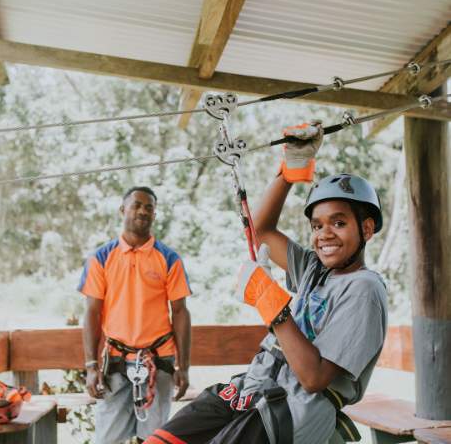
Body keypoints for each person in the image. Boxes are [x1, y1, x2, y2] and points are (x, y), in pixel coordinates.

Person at [145, 122, 388, 444]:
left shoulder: (364, 289)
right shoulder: (315, 270)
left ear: (367, 229)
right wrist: (290, 172)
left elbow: (314, 378)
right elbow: (259, 229)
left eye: (339, 223)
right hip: (255, 387)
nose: (324, 234)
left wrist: (273, 306)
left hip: (293, 409)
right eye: (316, 226)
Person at [79, 186, 192, 444]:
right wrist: (90, 366)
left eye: (149, 207)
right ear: (123, 210)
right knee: (107, 439)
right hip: (115, 362)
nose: (143, 211)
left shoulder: (169, 258)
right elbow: (92, 313)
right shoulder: (101, 258)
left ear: (155, 214)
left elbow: (181, 312)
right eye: (137, 205)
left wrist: (183, 367)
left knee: (155, 440)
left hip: (158, 361)